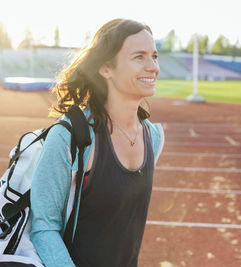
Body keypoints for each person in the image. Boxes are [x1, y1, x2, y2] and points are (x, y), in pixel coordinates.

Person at [30, 18, 165, 267]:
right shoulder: (70, 137)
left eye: (154, 56)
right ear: (106, 68)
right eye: (139, 57)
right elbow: (43, 228)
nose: (153, 67)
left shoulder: (154, 137)